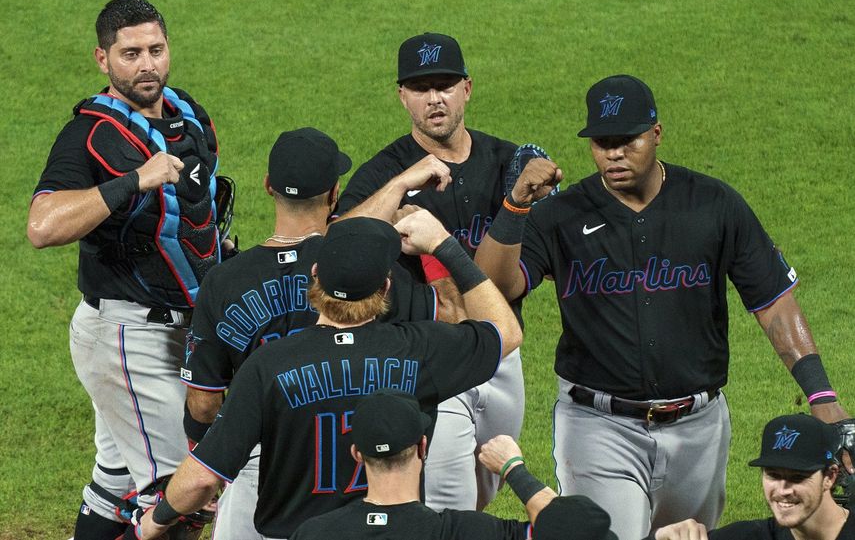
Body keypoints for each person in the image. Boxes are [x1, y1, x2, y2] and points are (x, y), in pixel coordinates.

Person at [474, 73, 851, 538]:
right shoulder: (561, 215)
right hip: (598, 425)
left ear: (655, 133)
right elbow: (493, 287)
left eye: (627, 140)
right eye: (601, 142)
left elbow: (772, 301)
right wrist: (514, 206)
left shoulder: (714, 205)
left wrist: (821, 395)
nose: (613, 153)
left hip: (699, 426)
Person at [135, 213, 523, 539]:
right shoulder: (421, 349)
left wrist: (153, 522)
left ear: (315, 275)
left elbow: (202, 478)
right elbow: (507, 331)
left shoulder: (270, 365)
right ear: (385, 287)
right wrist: (443, 244)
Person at [183, 127, 464, 539]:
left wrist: (207, 460)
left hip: (258, 461)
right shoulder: (364, 270)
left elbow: (204, 403)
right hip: (361, 465)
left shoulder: (224, 281)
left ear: (267, 187)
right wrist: (434, 250)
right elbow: (454, 316)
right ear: (335, 193)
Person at [27, 0, 228, 539]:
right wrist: (133, 180)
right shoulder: (88, 134)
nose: (147, 65)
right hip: (126, 335)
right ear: (103, 59)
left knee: (115, 484)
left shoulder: (189, 114)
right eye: (131, 53)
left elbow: (196, 214)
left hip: (177, 328)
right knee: (182, 497)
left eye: (156, 50)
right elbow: (42, 226)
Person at [336, 31, 529, 511]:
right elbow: (337, 241)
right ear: (402, 96)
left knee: (481, 500)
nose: (434, 99)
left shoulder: (507, 162)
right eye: (420, 88)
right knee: (446, 509)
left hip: (503, 354)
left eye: (444, 85)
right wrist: (401, 185)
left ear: (467, 87)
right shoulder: (386, 171)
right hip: (429, 360)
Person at [290, 389, 618, 540]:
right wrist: (513, 470)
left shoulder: (313, 532)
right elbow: (584, 532)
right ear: (423, 446)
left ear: (357, 455)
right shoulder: (468, 532)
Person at [653, 414, 854, 540]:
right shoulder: (753, 535)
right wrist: (661, 536)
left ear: (829, 476)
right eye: (773, 475)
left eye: (797, 477)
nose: (783, 490)